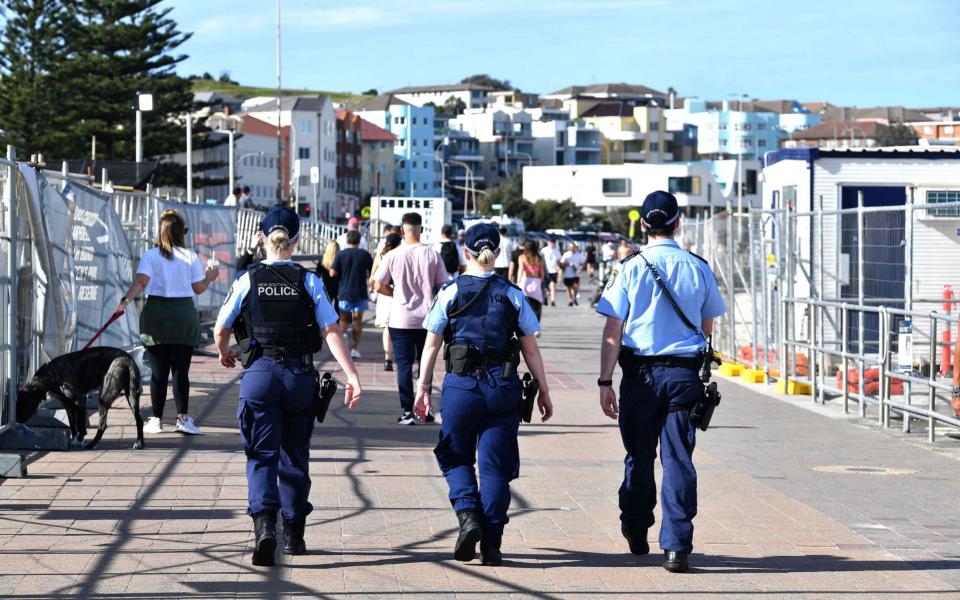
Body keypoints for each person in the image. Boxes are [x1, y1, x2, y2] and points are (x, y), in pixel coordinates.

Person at [213, 206, 362, 567]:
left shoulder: (247, 280)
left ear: (262, 238)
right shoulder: (308, 281)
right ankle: (293, 534)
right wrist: (352, 375)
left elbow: (222, 328)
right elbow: (331, 331)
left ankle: (265, 527)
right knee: (294, 455)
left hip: (259, 375)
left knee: (261, 454)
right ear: (296, 240)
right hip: (298, 376)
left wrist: (224, 354)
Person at [595, 190, 726, 574]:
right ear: (677, 222)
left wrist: (605, 381)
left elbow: (612, 330)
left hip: (640, 377)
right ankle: (677, 547)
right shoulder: (698, 267)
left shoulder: (629, 267)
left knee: (639, 455)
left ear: (644, 225)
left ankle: (636, 527)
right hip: (684, 375)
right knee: (678, 461)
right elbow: (706, 328)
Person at [414, 223, 553, 565]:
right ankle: (492, 544)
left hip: (461, 387)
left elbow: (431, 345)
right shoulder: (512, 293)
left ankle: (467, 515)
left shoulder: (450, 291)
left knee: (454, 456)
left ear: (466, 252)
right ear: (499, 252)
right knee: (495, 469)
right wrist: (544, 391)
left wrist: (422, 389)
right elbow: (531, 350)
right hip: (502, 388)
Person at [115, 209, 219, 436]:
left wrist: (125, 301)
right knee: (181, 371)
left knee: (158, 372)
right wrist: (212, 274)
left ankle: (156, 419)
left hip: (156, 314)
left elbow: (141, 282)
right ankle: (183, 418)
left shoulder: (150, 256)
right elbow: (198, 288)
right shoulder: (189, 256)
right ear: (181, 233)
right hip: (182, 314)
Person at [373, 212, 447, 425]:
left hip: (400, 319)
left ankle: (407, 411)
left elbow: (377, 285)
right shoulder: (432, 255)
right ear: (421, 229)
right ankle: (426, 407)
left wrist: (393, 293)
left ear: (402, 230)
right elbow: (443, 285)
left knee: (404, 365)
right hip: (428, 318)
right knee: (426, 363)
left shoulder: (392, 255)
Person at [330, 230, 373, 359]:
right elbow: (371, 272)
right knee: (357, 322)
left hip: (344, 291)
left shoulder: (340, 255)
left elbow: (332, 273)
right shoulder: (365, 255)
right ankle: (355, 349)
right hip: (360, 292)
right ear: (359, 242)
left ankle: (341, 350)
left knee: (343, 322)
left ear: (347, 240)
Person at [371, 233, 402, 371]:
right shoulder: (401, 256)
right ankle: (399, 355)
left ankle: (387, 358)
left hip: (384, 294)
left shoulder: (381, 256)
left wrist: (373, 289)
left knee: (387, 329)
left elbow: (372, 278)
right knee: (399, 327)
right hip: (399, 293)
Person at [517, 240, 545, 323]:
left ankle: (526, 324)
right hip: (536, 281)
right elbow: (542, 272)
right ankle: (536, 325)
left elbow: (520, 270)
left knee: (525, 305)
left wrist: (518, 282)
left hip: (525, 281)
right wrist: (541, 281)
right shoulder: (539, 258)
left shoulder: (522, 257)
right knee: (537, 305)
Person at [560, 241, 586, 306]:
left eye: (573, 247)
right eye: (570, 247)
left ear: (575, 247)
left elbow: (583, 263)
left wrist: (580, 268)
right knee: (569, 287)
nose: (572, 248)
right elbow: (561, 263)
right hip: (568, 274)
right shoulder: (566, 254)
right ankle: (570, 300)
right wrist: (568, 264)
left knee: (575, 286)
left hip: (576, 274)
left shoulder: (579, 255)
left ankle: (574, 298)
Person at [539, 238, 561, 307]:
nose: (552, 244)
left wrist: (558, 267)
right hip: (545, 271)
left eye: (553, 242)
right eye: (551, 242)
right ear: (548, 243)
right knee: (545, 288)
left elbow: (558, 261)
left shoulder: (557, 251)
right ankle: (545, 298)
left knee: (552, 286)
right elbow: (540, 260)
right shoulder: (544, 250)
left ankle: (552, 301)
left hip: (553, 271)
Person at [316, 241, 339, 305]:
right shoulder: (340, 259)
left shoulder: (323, 259)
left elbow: (317, 274)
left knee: (326, 309)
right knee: (338, 311)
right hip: (338, 288)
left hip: (326, 288)